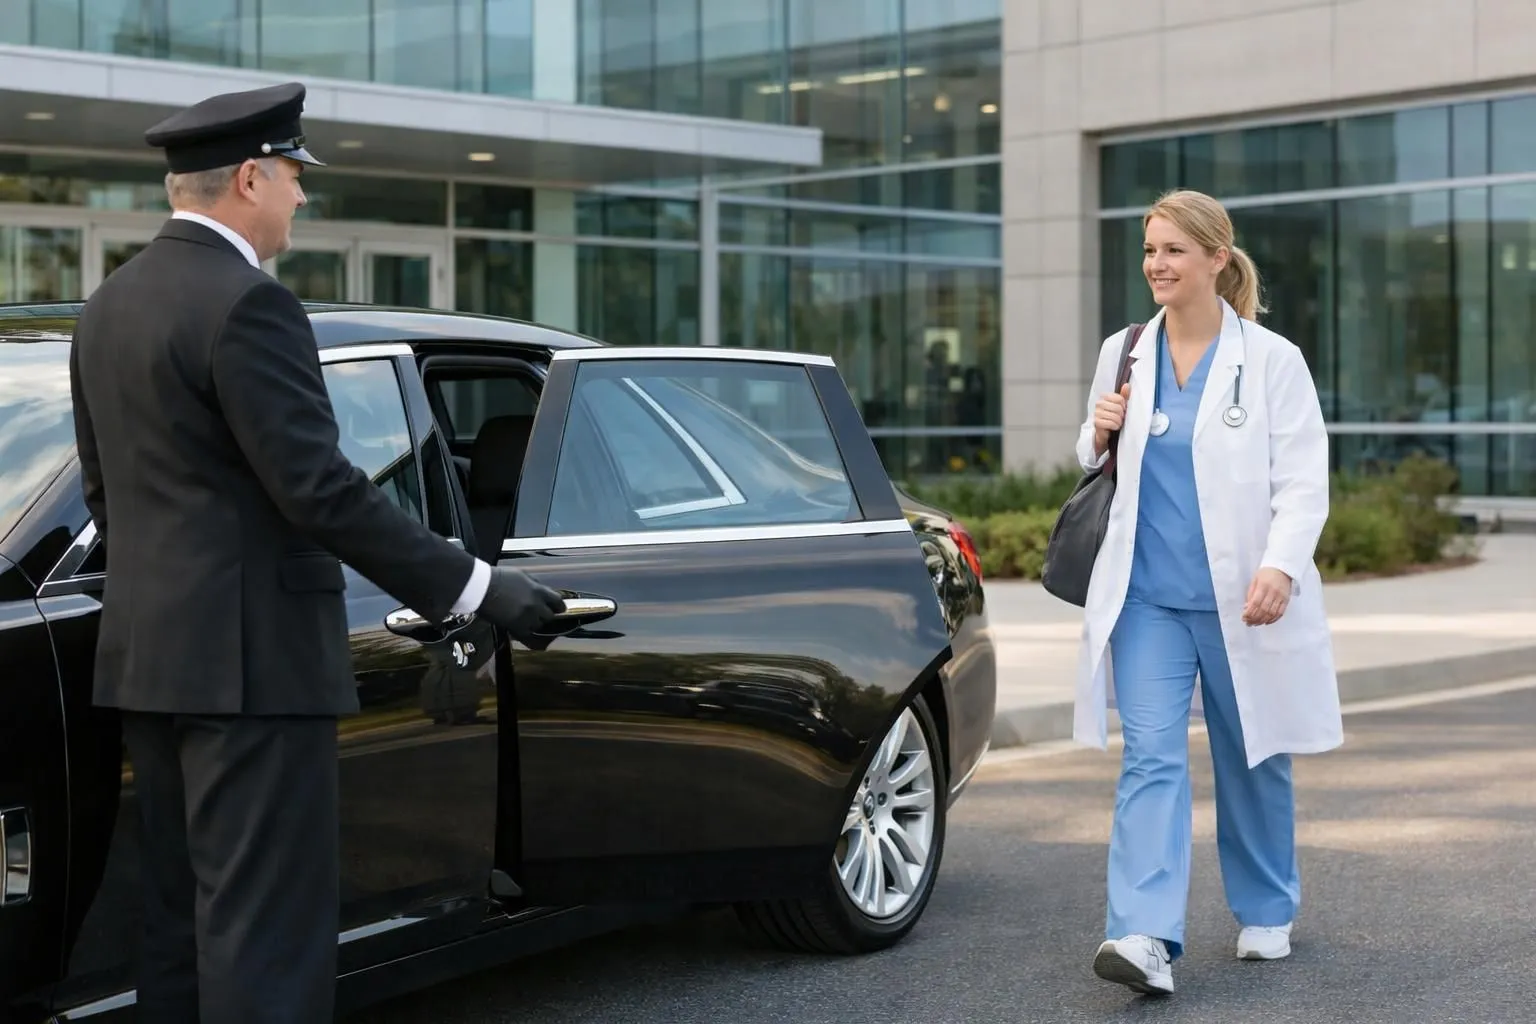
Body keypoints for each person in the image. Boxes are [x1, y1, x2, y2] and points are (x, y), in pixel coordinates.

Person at [67, 81, 566, 1023]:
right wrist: (476, 584)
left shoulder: (108, 306)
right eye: (295, 176)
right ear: (250, 177)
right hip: (256, 675)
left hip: (149, 664)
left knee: (177, 929)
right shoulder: (252, 306)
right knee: (266, 935)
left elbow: (109, 497)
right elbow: (322, 489)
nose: (302, 197)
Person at [1069, 188, 1342, 996]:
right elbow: (1092, 457)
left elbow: (1303, 480)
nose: (1156, 264)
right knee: (1150, 758)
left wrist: (1282, 566)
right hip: (1146, 598)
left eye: (1173, 251)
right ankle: (1143, 935)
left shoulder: (1271, 359)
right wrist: (1099, 427)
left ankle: (1266, 908)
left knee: (1253, 752)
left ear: (1217, 260)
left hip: (1240, 600)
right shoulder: (1124, 349)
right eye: (1149, 250)